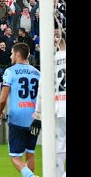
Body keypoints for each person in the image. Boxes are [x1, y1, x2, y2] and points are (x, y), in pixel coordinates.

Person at [0, 42, 40, 177]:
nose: (10, 56)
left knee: (15, 156)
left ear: (18, 54)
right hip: (35, 117)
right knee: (30, 152)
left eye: (12, 54)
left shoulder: (10, 71)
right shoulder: (37, 73)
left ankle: (31, 176)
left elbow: (2, 99)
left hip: (17, 117)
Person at [30, 38, 66, 177]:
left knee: (58, 152)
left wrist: (38, 114)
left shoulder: (51, 61)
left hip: (56, 110)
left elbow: (42, 89)